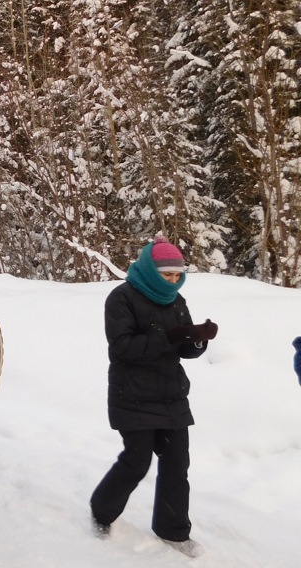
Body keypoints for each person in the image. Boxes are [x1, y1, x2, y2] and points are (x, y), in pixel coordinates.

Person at [90, 237, 218, 558]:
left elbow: (184, 349)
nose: (173, 281)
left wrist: (197, 339)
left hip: (171, 395)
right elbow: (123, 347)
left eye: (177, 275)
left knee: (177, 465)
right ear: (150, 270)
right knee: (137, 462)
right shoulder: (121, 298)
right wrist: (171, 337)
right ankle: (102, 510)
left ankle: (173, 531)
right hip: (132, 394)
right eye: (167, 275)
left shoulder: (177, 301)